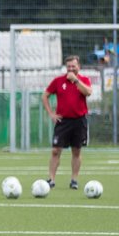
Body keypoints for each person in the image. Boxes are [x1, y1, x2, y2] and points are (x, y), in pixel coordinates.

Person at [42, 55, 92, 190]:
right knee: (55, 150)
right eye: (68, 66)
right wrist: (51, 113)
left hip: (79, 121)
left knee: (76, 151)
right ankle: (51, 179)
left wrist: (75, 81)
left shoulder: (84, 80)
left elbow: (88, 92)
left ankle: (74, 180)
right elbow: (45, 95)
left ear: (78, 67)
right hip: (63, 121)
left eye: (73, 66)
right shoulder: (58, 81)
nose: (70, 68)